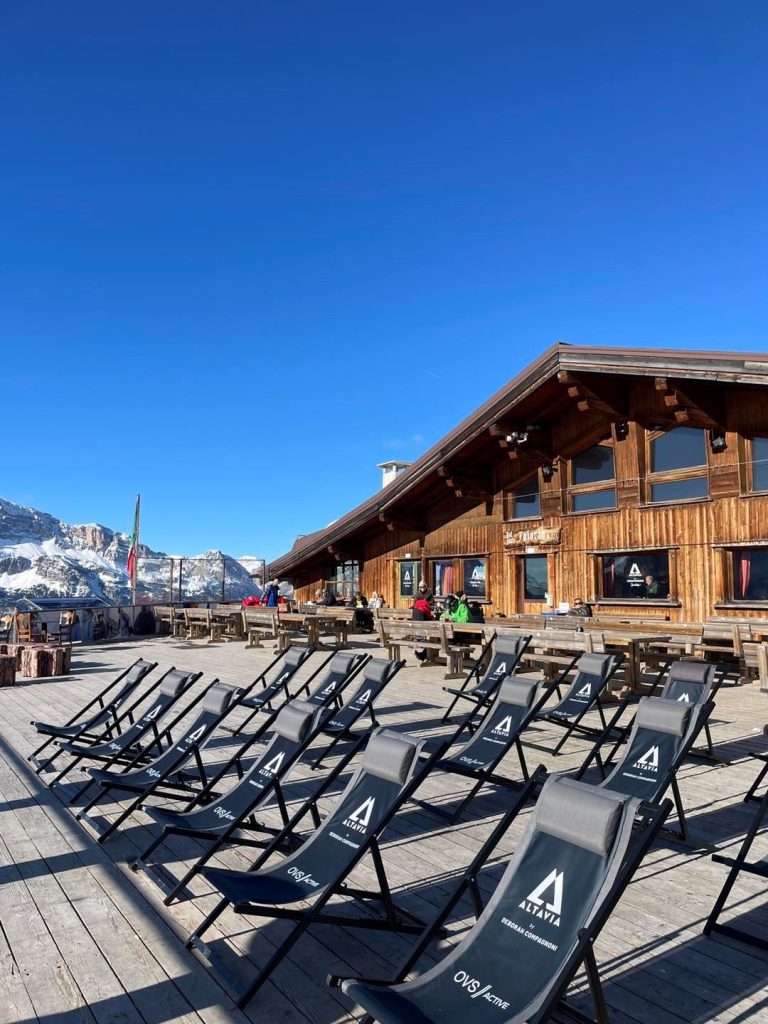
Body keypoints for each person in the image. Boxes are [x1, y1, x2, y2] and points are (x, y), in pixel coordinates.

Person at [411, 593, 434, 662]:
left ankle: (424, 655)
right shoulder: (424, 608)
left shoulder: (416, 609)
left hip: (417, 632)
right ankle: (425, 655)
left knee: (435, 639)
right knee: (436, 639)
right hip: (424, 632)